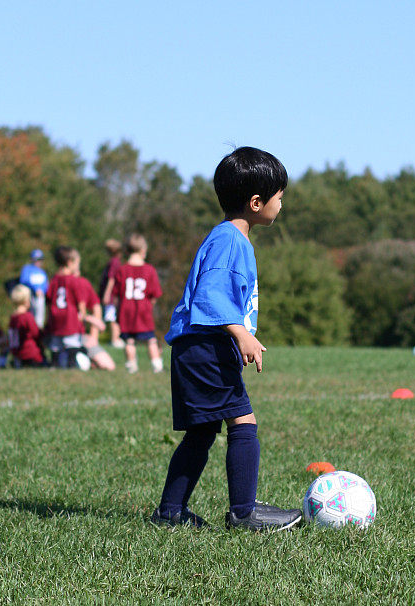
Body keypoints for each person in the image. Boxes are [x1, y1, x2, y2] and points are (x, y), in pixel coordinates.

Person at [152, 146, 301, 532]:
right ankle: (244, 512)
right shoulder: (230, 242)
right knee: (242, 419)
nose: (281, 204)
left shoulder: (229, 238)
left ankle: (170, 512)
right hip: (206, 347)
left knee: (202, 432)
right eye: (279, 197)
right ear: (256, 202)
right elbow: (210, 297)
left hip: (197, 348)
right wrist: (242, 335)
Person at [113, 234, 164, 373]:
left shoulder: (122, 270)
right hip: (143, 309)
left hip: (126, 309)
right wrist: (149, 306)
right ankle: (157, 365)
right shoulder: (149, 269)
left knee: (129, 340)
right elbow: (155, 294)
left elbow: (116, 293)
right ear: (143, 250)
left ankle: (131, 365)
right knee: (150, 338)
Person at [45, 246, 87, 368]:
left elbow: (49, 299)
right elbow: (81, 301)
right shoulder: (74, 280)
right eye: (77, 263)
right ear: (70, 263)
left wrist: (49, 317)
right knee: (72, 342)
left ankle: (54, 365)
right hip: (70, 316)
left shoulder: (53, 280)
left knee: (56, 344)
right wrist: (82, 314)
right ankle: (71, 365)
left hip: (55, 315)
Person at [75, 265, 115, 371]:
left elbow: (96, 306)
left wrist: (94, 336)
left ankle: (88, 360)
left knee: (109, 366)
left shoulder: (82, 283)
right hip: (65, 336)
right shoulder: (58, 282)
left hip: (81, 337)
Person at [8, 284, 47, 368]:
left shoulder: (13, 317)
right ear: (26, 300)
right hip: (31, 353)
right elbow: (35, 333)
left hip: (17, 354)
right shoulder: (27, 316)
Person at [99, 239, 125, 349]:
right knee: (112, 318)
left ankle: (115, 339)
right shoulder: (116, 262)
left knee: (112, 318)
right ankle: (115, 338)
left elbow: (111, 279)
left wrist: (107, 294)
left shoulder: (114, 262)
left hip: (112, 296)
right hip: (113, 296)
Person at [18, 249, 49, 328]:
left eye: (40, 259)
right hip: (30, 296)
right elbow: (23, 280)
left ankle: (38, 329)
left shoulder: (42, 272)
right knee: (30, 315)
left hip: (41, 297)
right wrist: (35, 289)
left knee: (39, 317)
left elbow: (46, 285)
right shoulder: (27, 269)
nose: (38, 262)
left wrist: (43, 291)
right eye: (36, 259)